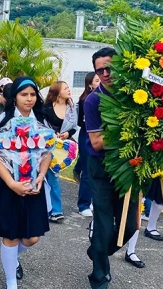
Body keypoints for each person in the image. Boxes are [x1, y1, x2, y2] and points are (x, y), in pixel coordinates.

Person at [0, 77, 51, 289]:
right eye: (23, 94)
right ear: (15, 97)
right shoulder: (2, 120)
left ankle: (11, 259)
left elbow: (47, 152)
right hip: (7, 184)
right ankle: (11, 281)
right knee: (11, 235)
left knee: (31, 238)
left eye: (32, 94)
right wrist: (12, 184)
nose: (29, 99)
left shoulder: (41, 120)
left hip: (33, 184)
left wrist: (40, 176)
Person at [84, 47, 139, 289]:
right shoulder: (93, 100)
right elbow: (96, 142)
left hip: (130, 167)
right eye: (100, 70)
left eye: (110, 68)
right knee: (104, 224)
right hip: (101, 167)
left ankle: (97, 250)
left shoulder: (135, 96)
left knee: (131, 226)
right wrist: (129, 129)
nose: (106, 73)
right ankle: (99, 277)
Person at [42, 81, 77, 223]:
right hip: (46, 146)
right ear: (57, 92)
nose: (69, 90)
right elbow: (40, 125)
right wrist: (51, 134)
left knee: (54, 176)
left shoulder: (71, 108)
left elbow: (74, 127)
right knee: (48, 176)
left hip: (63, 148)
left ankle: (56, 210)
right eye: (66, 88)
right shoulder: (46, 108)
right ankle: (50, 209)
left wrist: (67, 134)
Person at [75, 72, 100, 217]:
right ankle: (83, 203)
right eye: (97, 80)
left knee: (95, 170)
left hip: (98, 135)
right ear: (90, 84)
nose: (100, 82)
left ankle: (91, 200)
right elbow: (80, 122)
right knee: (86, 170)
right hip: (87, 135)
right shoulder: (86, 100)